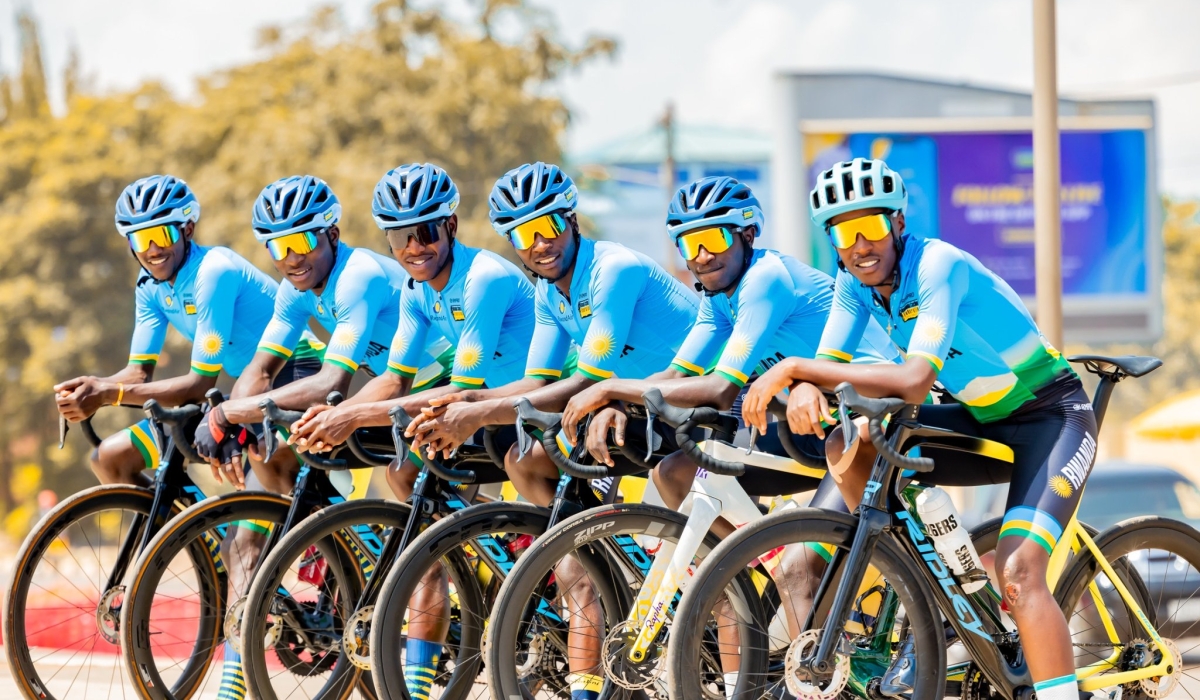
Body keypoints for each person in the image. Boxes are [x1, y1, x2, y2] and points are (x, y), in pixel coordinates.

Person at [741, 157, 1095, 700]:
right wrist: (809, 381)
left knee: (1021, 574)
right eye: (843, 231)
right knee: (849, 438)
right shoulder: (853, 286)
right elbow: (831, 360)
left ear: (898, 224)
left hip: (1053, 416)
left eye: (871, 227)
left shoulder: (938, 265)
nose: (860, 245)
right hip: (984, 418)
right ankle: (919, 577)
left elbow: (914, 379)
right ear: (832, 241)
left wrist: (798, 369)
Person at [407, 161, 699, 700]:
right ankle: (603, 563)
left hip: (693, 405)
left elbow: (584, 380)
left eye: (546, 227)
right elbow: (537, 380)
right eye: (522, 234)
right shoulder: (547, 291)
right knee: (527, 465)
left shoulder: (612, 271)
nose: (537, 243)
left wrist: (473, 414)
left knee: (574, 552)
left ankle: (613, 568)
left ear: (571, 220)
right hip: (637, 404)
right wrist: (464, 399)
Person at [284, 163, 536, 700]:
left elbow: (457, 391)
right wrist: (338, 414)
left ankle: (517, 566)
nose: (413, 247)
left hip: (524, 409)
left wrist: (347, 415)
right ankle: (429, 664)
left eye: (425, 232)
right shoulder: (415, 291)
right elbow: (395, 379)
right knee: (406, 479)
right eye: (400, 236)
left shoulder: (483, 278)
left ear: (451, 226)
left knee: (435, 475)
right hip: (484, 411)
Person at [53, 174, 320, 487]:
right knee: (110, 458)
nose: (152, 250)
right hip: (240, 389)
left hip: (295, 371)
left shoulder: (213, 271)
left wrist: (108, 393)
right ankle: (193, 535)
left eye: (162, 235)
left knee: (248, 529)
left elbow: (199, 383)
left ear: (187, 229)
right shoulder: (149, 286)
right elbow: (138, 375)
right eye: (141, 239)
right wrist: (93, 388)